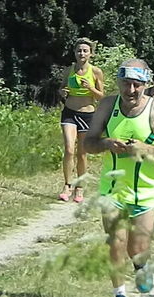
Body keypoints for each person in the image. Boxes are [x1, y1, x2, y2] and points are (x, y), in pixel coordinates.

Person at [84, 59, 154, 297]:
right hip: (113, 188)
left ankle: (142, 268)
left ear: (145, 84)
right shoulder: (108, 105)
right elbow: (88, 143)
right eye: (125, 84)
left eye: (136, 85)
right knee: (116, 243)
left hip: (146, 191)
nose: (130, 90)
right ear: (118, 82)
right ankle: (119, 292)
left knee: (138, 249)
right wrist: (106, 143)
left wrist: (147, 150)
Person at [58, 38, 104, 203]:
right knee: (69, 149)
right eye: (79, 51)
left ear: (91, 53)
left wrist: (90, 88)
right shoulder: (69, 70)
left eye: (85, 51)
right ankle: (67, 185)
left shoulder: (96, 72)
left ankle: (80, 187)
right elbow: (62, 88)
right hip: (69, 112)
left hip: (87, 115)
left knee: (82, 153)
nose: (81, 54)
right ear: (75, 53)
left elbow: (101, 96)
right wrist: (63, 92)